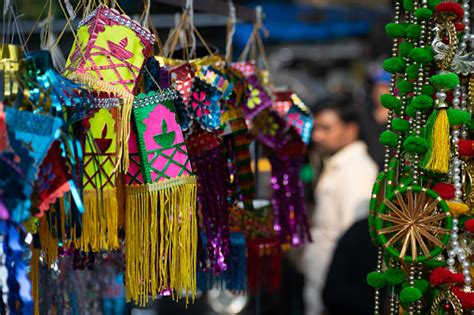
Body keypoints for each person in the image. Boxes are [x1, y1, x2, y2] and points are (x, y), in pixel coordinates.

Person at [300, 95, 378, 315]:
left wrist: (337, 292)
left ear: (351, 129)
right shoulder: (335, 165)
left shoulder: (357, 172)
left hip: (337, 295)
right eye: (315, 128)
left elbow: (355, 243)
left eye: (326, 128)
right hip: (323, 286)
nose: (317, 136)